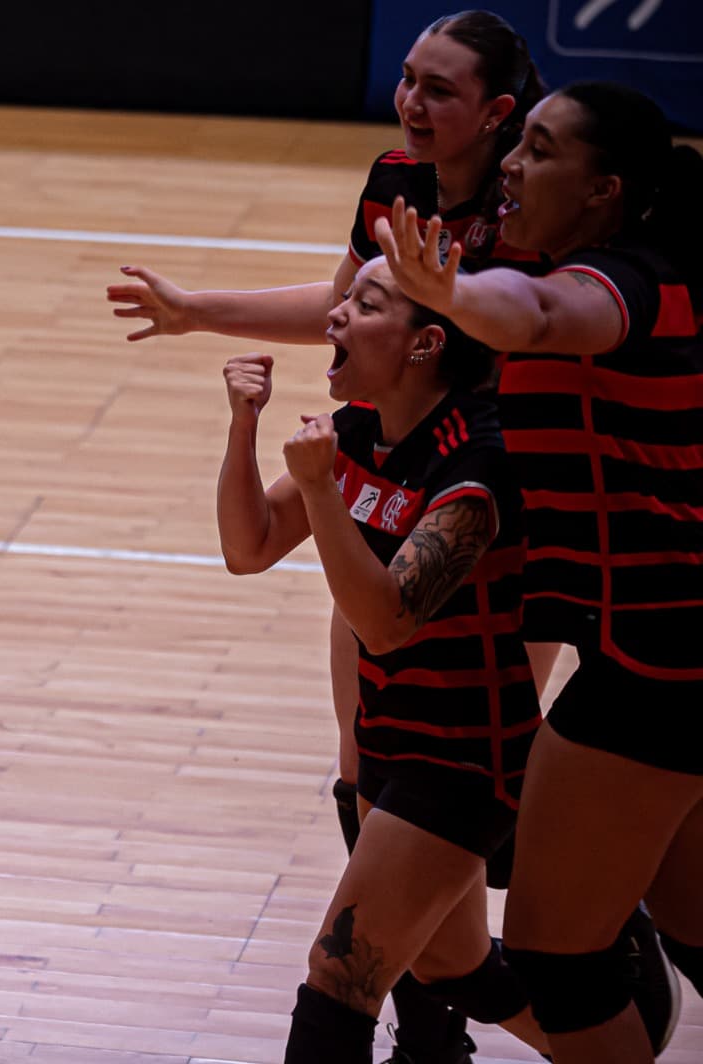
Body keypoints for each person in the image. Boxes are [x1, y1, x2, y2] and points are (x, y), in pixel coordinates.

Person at [109, 13, 548, 1060]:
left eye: (437, 90)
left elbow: (528, 326)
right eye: (405, 79)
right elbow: (350, 306)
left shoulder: (529, 206)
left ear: (496, 112)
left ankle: (498, 982)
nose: (410, 103)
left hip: (489, 495)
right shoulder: (393, 183)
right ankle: (442, 1015)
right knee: (364, 762)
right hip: (383, 453)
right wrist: (197, 313)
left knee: (456, 746)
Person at [377, 80, 703, 1064]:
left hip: (658, 664)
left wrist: (454, 294)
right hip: (666, 652)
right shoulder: (615, 268)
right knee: (691, 926)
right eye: (515, 143)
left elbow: (540, 316)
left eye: (542, 149)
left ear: (605, 188)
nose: (512, 164)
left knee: (557, 960)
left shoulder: (627, 284)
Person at [216, 257, 548, 1063]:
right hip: (389, 737)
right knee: (453, 963)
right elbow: (248, 546)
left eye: (363, 305)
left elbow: (388, 621)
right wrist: (244, 425)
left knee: (342, 972)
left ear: (425, 342)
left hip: (466, 754)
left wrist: (324, 494)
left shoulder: (476, 464)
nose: (334, 315)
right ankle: (614, 1031)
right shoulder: (363, 431)